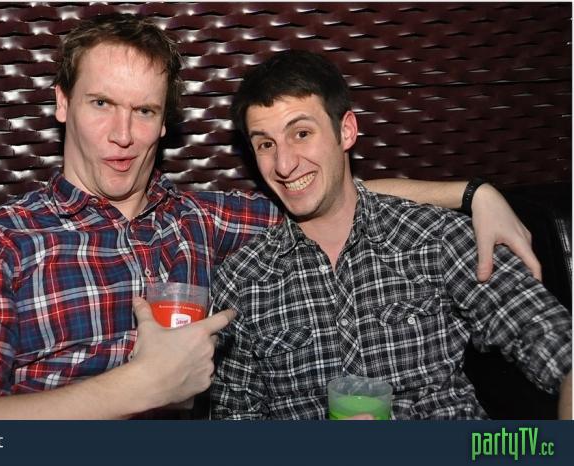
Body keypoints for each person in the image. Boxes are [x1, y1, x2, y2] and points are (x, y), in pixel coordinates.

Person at [0, 14, 542, 420]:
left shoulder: (200, 218)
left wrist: (472, 192)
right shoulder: (0, 243)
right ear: (62, 104)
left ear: (165, 122)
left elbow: (327, 192)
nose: (123, 134)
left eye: (145, 111)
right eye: (101, 103)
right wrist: (140, 387)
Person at [209, 50, 572, 419]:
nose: (284, 165)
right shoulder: (243, 280)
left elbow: (559, 347)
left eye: (301, 134)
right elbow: (234, 420)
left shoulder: (434, 238)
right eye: (266, 144)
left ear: (346, 131)